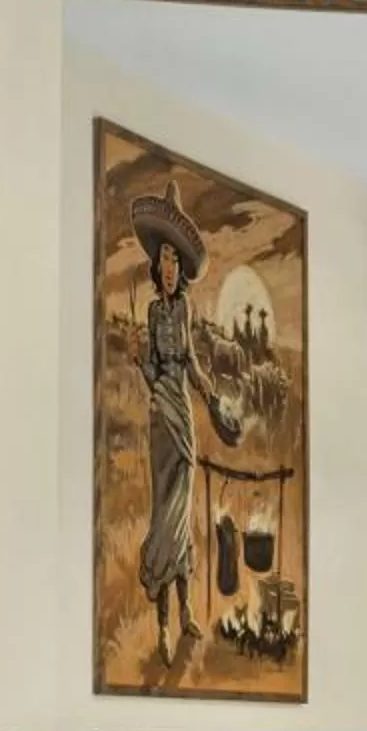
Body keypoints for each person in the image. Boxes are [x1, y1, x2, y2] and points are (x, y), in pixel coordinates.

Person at [128, 182, 237, 668]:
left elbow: (192, 361)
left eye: (175, 261)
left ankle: (189, 608)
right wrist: (139, 363)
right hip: (160, 413)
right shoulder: (151, 313)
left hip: (185, 415)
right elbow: (155, 367)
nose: (169, 269)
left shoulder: (184, 309)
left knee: (182, 517)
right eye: (164, 260)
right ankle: (164, 625)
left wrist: (211, 395)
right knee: (163, 517)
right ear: (156, 266)